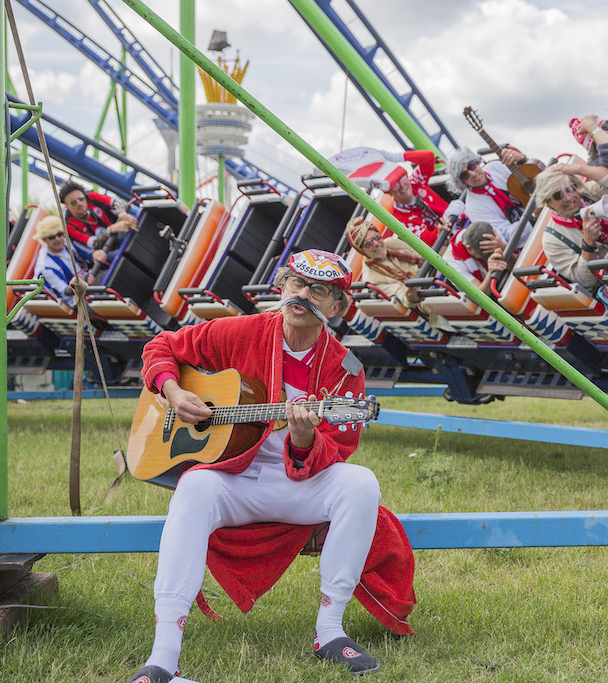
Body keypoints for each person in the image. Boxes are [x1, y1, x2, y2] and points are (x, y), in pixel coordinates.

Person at [127, 249, 415, 683]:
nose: (303, 295)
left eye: (319, 290)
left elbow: (340, 447)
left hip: (299, 485)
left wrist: (303, 440)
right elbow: (162, 345)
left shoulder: (345, 370)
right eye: (296, 283)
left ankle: (330, 631)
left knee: (361, 483)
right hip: (233, 476)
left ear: (337, 307)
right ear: (281, 287)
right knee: (193, 489)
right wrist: (172, 390)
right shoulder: (241, 330)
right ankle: (163, 657)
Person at [534, 171, 608, 291]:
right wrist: (588, 244)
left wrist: (577, 168)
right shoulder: (552, 239)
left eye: (570, 189)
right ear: (548, 203)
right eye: (558, 195)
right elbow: (586, 280)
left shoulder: (587, 193)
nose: (569, 198)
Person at [445, 146, 542, 249]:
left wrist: (522, 160)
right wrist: (533, 216)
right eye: (464, 175)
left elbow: (533, 179)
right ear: (461, 182)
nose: (472, 174)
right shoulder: (474, 208)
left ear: (477, 162)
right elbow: (506, 236)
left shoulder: (496, 167)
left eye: (471, 166)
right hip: (531, 241)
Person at [346, 215, 424, 308]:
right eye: (369, 243)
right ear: (361, 250)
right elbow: (403, 297)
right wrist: (410, 296)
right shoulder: (371, 278)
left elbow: (423, 257)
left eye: (377, 237)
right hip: (425, 299)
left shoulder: (392, 243)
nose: (376, 243)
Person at [59, 180, 138, 265]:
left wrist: (122, 213)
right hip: (107, 252)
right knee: (121, 255)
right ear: (67, 206)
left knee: (131, 226)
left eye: (81, 198)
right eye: (73, 202)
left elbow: (117, 201)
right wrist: (110, 230)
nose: (79, 203)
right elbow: (94, 243)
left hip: (120, 232)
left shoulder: (91, 196)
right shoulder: (69, 225)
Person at [32, 216, 92, 308]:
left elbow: (89, 255)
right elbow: (66, 291)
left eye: (60, 234)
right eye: (52, 237)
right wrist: (82, 281)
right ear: (44, 239)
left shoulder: (67, 242)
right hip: (76, 302)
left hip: (90, 284)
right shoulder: (45, 266)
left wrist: (96, 255)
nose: (58, 239)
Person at [443, 221, 509, 296]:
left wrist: (503, 247)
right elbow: (478, 296)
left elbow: (515, 265)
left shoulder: (491, 233)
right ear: (469, 249)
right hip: (489, 296)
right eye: (484, 257)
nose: (488, 260)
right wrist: (491, 272)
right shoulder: (450, 263)